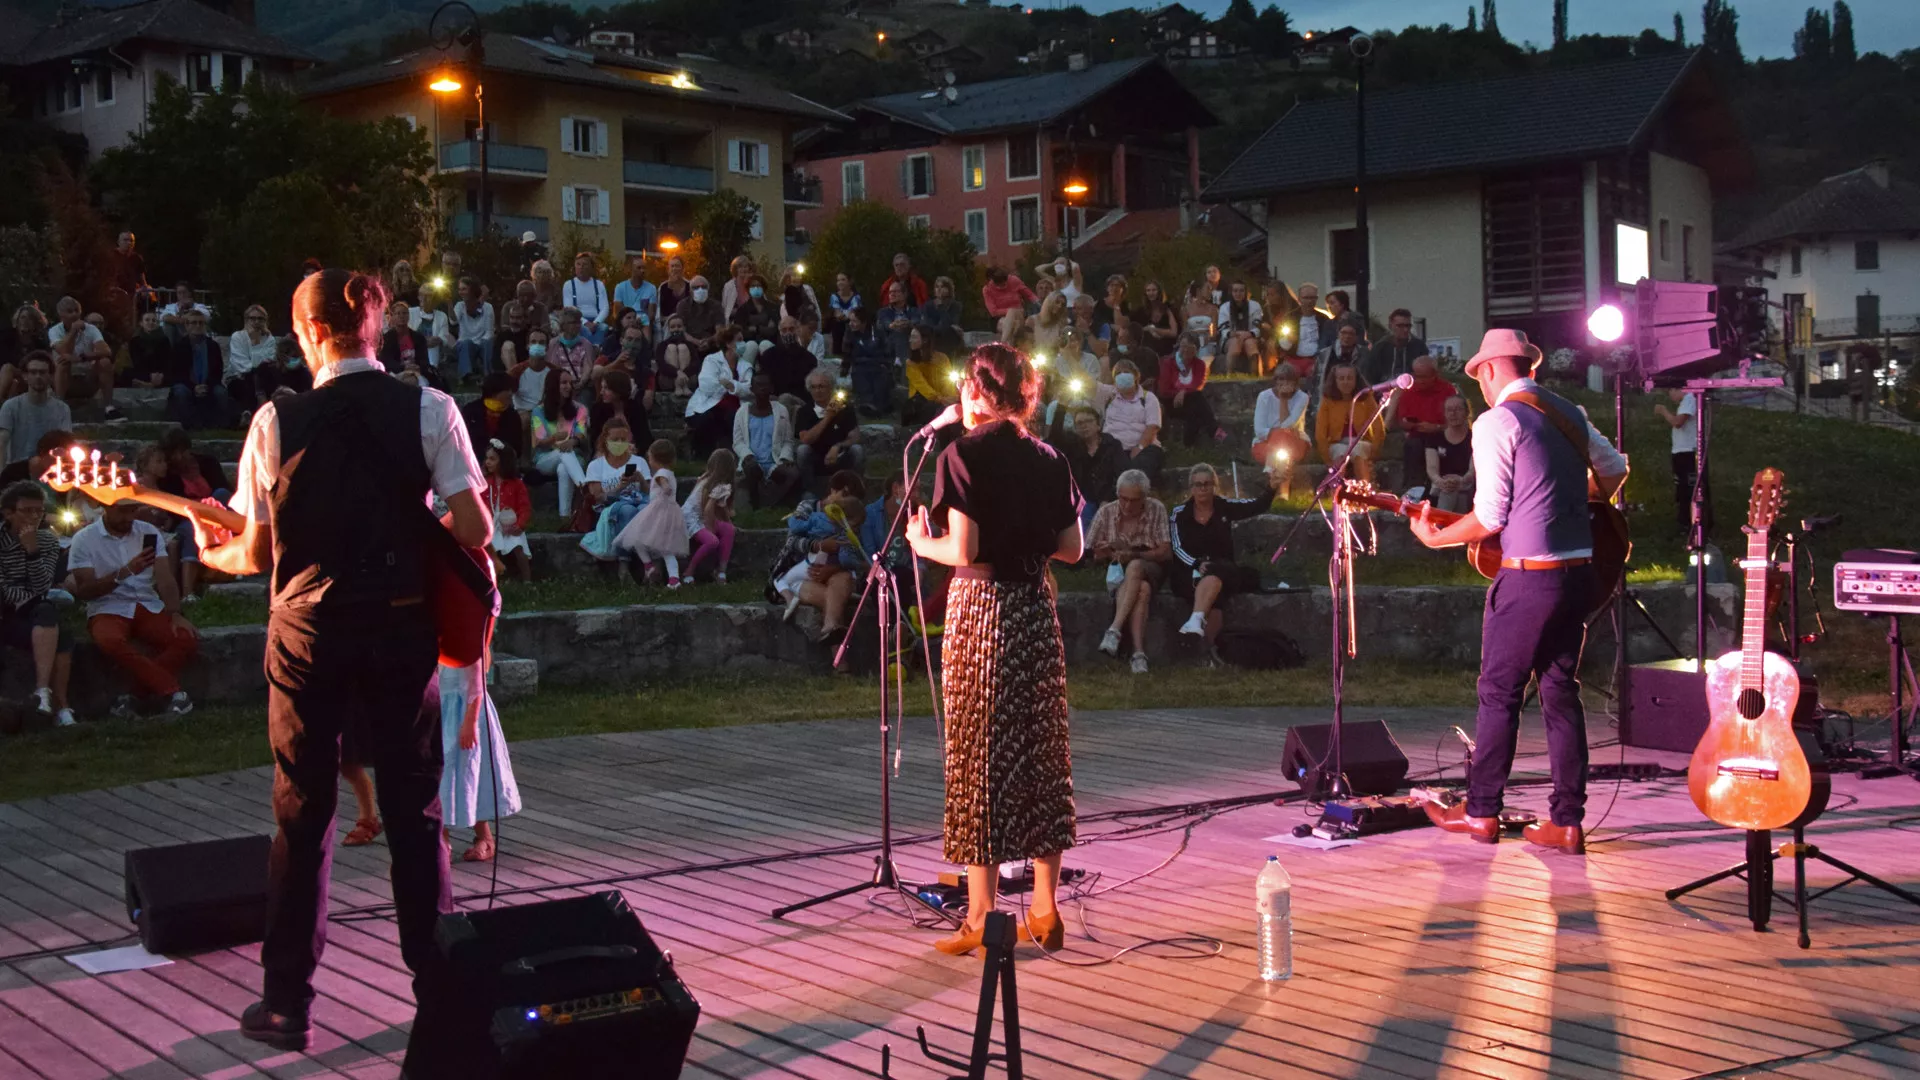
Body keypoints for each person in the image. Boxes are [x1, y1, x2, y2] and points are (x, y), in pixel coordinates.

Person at [194, 269, 491, 1052]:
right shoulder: (429, 407)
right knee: (414, 813)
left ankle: (287, 1004)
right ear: (376, 329)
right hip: (398, 625)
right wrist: (413, 525)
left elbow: (253, 553)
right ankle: (440, 995)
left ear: (306, 333)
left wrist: (209, 549)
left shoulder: (275, 420)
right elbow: (475, 530)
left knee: (303, 812)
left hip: (307, 631)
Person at [1409, 329, 1628, 857]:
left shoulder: (1497, 421)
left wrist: (1435, 537)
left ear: (1488, 370)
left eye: (1479, 378)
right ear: (1527, 365)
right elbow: (1615, 469)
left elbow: (1489, 516)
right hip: (1578, 574)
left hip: (1529, 578)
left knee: (1499, 693)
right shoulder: (1569, 412)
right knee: (1560, 692)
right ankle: (1567, 822)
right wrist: (1564, 498)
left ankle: (1481, 811)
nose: (1481, 389)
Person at [906, 342, 1082, 956]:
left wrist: (919, 543)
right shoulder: (1051, 457)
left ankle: (981, 916)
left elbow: (964, 549)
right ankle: (1046, 909)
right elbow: (1072, 549)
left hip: (982, 611)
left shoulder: (961, 454)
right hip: (1035, 608)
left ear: (976, 392)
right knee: (1041, 751)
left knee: (978, 755)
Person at [66, 499, 198, 717]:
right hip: (107, 606)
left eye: (132, 511)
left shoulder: (148, 532)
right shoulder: (84, 539)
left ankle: (134, 696)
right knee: (110, 640)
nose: (128, 518)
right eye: (122, 512)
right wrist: (125, 572)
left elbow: (164, 577)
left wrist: (175, 613)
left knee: (185, 638)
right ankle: (173, 692)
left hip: (147, 603)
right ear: (106, 507)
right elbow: (86, 590)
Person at [437, 575, 520, 864]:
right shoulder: (436, 628)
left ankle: (484, 836)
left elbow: (476, 684)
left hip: (467, 711)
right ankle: (441, 838)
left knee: (472, 771)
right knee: (440, 775)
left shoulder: (469, 635)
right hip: (440, 709)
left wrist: (471, 721)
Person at [1170, 463, 1275, 662]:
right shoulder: (1179, 513)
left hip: (1223, 569)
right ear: (1191, 488)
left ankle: (1196, 622)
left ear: (1214, 486)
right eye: (1198, 484)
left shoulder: (1224, 506)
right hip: (1189, 571)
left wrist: (1272, 488)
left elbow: (1256, 505)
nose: (1202, 489)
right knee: (1216, 596)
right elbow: (1176, 547)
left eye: (1207, 484)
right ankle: (1209, 651)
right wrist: (1196, 564)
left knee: (1218, 572)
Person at [0, 482, 75, 725]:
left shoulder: (48, 541)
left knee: (51, 618)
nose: (34, 517)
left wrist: (32, 550)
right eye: (27, 511)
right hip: (6, 611)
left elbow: (43, 586)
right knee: (53, 625)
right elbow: (3, 588)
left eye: (39, 511)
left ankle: (46, 695)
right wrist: (23, 597)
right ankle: (55, 704)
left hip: (32, 610)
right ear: (9, 513)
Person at [1088, 469, 1171, 675]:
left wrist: (1133, 554)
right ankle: (1138, 654)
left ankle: (1114, 629)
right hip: (1117, 569)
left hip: (1149, 564)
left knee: (1135, 567)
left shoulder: (1156, 509)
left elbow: (1165, 551)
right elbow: (1089, 551)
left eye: (1134, 501)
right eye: (1123, 499)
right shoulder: (1106, 512)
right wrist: (1106, 551)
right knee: (1142, 590)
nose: (1127, 506)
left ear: (1144, 497)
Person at [613, 440, 688, 586]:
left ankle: (648, 566)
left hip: (658, 513)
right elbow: (653, 489)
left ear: (653, 458)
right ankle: (674, 580)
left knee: (636, 540)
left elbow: (662, 481)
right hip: (670, 515)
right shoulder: (670, 473)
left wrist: (665, 487)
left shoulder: (661, 473)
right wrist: (642, 479)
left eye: (649, 458)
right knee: (667, 551)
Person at [580, 416, 649, 560]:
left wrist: (640, 479)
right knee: (627, 510)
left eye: (623, 439)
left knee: (641, 509)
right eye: (615, 439)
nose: (619, 443)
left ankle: (646, 557)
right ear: (605, 440)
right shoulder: (596, 465)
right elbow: (597, 497)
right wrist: (619, 487)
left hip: (637, 504)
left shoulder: (640, 462)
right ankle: (626, 560)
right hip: (608, 510)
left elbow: (650, 493)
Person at [1051, 405, 1125, 534]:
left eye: (1088, 421)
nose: (1084, 426)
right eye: (1079, 423)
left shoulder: (1112, 445)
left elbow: (1121, 474)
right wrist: (1061, 406)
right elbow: (1055, 436)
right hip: (1084, 500)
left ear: (1098, 425)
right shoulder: (1073, 446)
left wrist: (1108, 498)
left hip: (1109, 497)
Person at [530, 368, 591, 523]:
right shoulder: (539, 411)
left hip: (575, 456)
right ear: (553, 385)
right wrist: (554, 438)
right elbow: (538, 442)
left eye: (570, 383)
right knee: (564, 452)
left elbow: (581, 433)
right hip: (545, 458)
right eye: (563, 383)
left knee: (563, 468)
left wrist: (572, 441)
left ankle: (565, 517)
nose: (568, 387)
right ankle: (585, 487)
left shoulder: (580, 409)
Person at [48, 296, 122, 422]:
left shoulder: (91, 329)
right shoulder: (54, 331)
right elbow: (63, 351)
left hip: (88, 377)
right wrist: (73, 332)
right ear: (61, 314)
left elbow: (106, 351)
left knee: (105, 362)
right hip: (66, 380)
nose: (74, 314)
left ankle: (109, 408)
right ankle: (59, 408)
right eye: (70, 311)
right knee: (62, 363)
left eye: (76, 311)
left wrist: (82, 357)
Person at [734, 373, 798, 509]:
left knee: (792, 474)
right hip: (752, 462)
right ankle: (755, 505)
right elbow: (738, 442)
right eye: (758, 385)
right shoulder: (742, 412)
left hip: (774, 461)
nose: (762, 388)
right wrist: (748, 456)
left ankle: (775, 505)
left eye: (766, 385)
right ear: (752, 389)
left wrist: (785, 458)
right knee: (751, 470)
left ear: (772, 388)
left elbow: (788, 440)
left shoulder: (781, 410)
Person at [794, 369, 864, 494]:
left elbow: (855, 436)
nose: (817, 391)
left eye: (821, 386)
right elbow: (805, 439)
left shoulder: (845, 408)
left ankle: (854, 490)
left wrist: (838, 446)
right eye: (813, 387)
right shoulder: (804, 411)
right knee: (802, 451)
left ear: (831, 388)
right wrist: (828, 417)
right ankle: (809, 492)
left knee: (857, 450)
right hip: (816, 457)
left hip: (840, 455)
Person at [1394, 355, 1456, 493]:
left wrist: (1436, 427)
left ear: (1434, 375)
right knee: (1413, 445)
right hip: (1417, 435)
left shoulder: (1447, 390)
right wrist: (1413, 425)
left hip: (1441, 435)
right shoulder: (1409, 390)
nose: (1420, 381)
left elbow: (1456, 422)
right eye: (1417, 376)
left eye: (1424, 377)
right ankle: (1412, 489)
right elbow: (1401, 421)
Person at [686, 326, 749, 460]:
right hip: (708, 405)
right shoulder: (711, 360)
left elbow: (748, 389)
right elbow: (707, 385)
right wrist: (732, 388)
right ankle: (701, 456)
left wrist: (730, 384)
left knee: (735, 417)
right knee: (708, 418)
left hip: (734, 407)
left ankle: (735, 458)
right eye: (739, 340)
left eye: (743, 340)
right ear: (728, 344)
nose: (743, 344)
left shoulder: (746, 365)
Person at [1315, 361, 1383, 484]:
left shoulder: (1366, 398)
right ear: (1335, 381)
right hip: (1337, 444)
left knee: (1357, 449)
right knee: (1340, 452)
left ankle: (1364, 489)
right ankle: (1336, 490)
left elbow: (1379, 428)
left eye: (1349, 378)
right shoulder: (1327, 400)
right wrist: (1327, 459)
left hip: (1361, 442)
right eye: (1341, 378)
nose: (1345, 382)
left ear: (1356, 380)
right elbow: (1320, 433)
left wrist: (1374, 451)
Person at [0, 354, 71, 468]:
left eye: (42, 372)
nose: (38, 376)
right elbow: (2, 442)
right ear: (25, 376)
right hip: (17, 467)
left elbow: (66, 443)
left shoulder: (62, 409)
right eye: (33, 372)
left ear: (50, 376)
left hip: (49, 467)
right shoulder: (10, 406)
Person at [1251, 364, 1311, 499]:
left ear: (1295, 383)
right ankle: (1283, 492)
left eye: (1289, 380)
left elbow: (1289, 425)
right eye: (1281, 379)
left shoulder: (1302, 397)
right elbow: (1259, 430)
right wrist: (1277, 434)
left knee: (1284, 438)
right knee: (1282, 440)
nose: (1284, 384)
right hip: (1265, 443)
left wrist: (1283, 400)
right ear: (1275, 381)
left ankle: (1272, 479)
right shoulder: (1264, 396)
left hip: (1296, 442)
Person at [1654, 388, 1707, 536]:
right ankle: (1684, 521)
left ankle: (1691, 523)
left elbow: (1678, 422)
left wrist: (1663, 411)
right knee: (1681, 487)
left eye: (1671, 391)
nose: (1671, 396)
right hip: (1680, 451)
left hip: (1688, 451)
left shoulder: (1689, 399)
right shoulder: (1685, 402)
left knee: (1689, 488)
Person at [682, 449, 737, 586]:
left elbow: (721, 509)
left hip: (701, 515)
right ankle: (689, 571)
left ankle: (721, 571)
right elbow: (708, 510)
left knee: (730, 530)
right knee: (712, 542)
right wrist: (710, 529)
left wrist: (728, 522)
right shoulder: (712, 484)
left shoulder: (718, 484)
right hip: (691, 518)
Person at [1102, 358, 1163, 481]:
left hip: (1143, 448)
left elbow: (1152, 427)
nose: (1122, 375)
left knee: (1140, 466)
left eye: (1126, 372)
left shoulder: (1148, 398)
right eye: (1118, 373)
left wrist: (1139, 447)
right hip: (1113, 448)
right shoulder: (1109, 396)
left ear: (1135, 376)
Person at [168, 309, 231, 429]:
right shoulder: (179, 346)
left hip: (208, 384)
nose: (198, 326)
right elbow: (176, 373)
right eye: (194, 322)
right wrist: (193, 387)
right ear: (187, 325)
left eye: (201, 323)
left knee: (221, 392)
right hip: (186, 384)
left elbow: (218, 371)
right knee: (180, 392)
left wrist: (206, 385)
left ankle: (221, 425)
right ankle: (188, 425)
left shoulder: (213, 346)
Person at [483, 441, 532, 583]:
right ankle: (491, 580)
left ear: (503, 462)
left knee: (518, 547)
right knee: (489, 549)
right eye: (487, 458)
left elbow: (524, 507)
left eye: (492, 459)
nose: (487, 462)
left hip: (511, 523)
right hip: (492, 524)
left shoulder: (517, 484)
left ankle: (527, 580)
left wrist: (520, 524)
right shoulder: (485, 482)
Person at [1157, 333, 1219, 447]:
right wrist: (1179, 393)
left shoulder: (1199, 364)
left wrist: (1183, 392)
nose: (1186, 350)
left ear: (1196, 349)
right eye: (1183, 346)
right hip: (1170, 401)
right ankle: (1213, 430)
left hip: (1190, 402)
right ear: (1178, 346)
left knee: (1195, 409)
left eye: (1190, 347)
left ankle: (1188, 445)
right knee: (1197, 400)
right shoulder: (1167, 363)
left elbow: (1197, 385)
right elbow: (1163, 390)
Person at [461, 374, 523, 471]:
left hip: (502, 466)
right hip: (473, 463)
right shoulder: (470, 411)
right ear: (495, 392)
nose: (511, 393)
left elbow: (517, 447)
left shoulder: (512, 415)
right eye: (507, 390)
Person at [1425, 395, 1475, 513]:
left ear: (1467, 412)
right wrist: (1442, 482)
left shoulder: (1475, 437)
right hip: (1440, 486)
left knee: (1456, 493)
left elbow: (1472, 470)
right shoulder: (1434, 438)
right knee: (1449, 492)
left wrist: (1460, 481)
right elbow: (1432, 469)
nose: (1453, 413)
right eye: (1449, 410)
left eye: (1458, 409)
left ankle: (1442, 522)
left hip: (1466, 485)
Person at [227, 305, 279, 415]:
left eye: (260, 319)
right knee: (250, 379)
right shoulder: (237, 337)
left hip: (263, 376)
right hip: (238, 377)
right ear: (246, 320)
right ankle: (254, 411)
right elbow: (241, 365)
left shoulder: (269, 339)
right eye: (252, 318)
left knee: (263, 375)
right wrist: (254, 342)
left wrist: (256, 341)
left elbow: (268, 361)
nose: (256, 322)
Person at [842, 306, 893, 416]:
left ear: (863, 322)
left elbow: (887, 352)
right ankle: (868, 405)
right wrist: (844, 372)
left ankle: (881, 406)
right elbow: (847, 354)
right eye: (850, 321)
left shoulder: (878, 332)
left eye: (854, 321)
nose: (851, 324)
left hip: (878, 365)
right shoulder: (849, 332)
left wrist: (885, 365)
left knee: (881, 377)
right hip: (860, 366)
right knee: (861, 375)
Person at [588, 367, 651, 455]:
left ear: (618, 389)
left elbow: (644, 438)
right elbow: (595, 439)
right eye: (602, 388)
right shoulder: (597, 409)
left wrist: (636, 449)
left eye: (606, 388)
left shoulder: (636, 408)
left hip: (632, 452)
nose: (602, 392)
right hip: (605, 453)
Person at [901, 326, 953, 430]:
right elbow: (922, 386)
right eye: (910, 337)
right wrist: (940, 399)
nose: (910, 340)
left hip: (941, 397)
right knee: (931, 408)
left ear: (925, 340)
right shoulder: (911, 362)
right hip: (922, 400)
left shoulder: (942, 358)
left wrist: (951, 397)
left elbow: (948, 381)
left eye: (914, 337)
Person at [759, 315, 817, 401]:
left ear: (798, 330)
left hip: (800, 402)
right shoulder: (768, 356)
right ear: (780, 332)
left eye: (791, 329)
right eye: (784, 330)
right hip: (775, 401)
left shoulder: (809, 359)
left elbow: (810, 388)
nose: (788, 333)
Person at [1364, 308, 1429, 386]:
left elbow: (1425, 374)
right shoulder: (1380, 348)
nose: (1405, 329)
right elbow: (1371, 377)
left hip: (1412, 389)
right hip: (1384, 390)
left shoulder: (1419, 347)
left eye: (1408, 326)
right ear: (1391, 326)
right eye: (1400, 326)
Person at [1283, 281, 1332, 380]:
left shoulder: (1323, 319)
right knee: (1289, 375)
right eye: (1306, 298)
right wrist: (1288, 340)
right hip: (1294, 359)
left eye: (1313, 298)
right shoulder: (1290, 317)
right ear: (1299, 299)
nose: (1310, 301)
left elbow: (1328, 342)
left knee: (1315, 375)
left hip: (1315, 360)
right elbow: (1281, 344)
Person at [377, 302, 434, 387]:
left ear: (408, 316)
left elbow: (424, 360)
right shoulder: (386, 339)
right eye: (398, 313)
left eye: (404, 313)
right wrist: (403, 367)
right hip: (395, 373)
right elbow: (386, 361)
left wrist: (418, 367)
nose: (401, 316)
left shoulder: (419, 338)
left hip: (416, 372)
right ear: (392, 317)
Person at [729, 274, 781, 365]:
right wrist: (764, 328)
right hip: (748, 343)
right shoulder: (742, 310)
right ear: (748, 289)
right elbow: (741, 332)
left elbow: (774, 330)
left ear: (764, 288)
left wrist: (755, 328)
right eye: (753, 286)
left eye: (759, 286)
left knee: (765, 344)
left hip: (769, 342)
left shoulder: (773, 308)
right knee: (751, 345)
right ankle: (745, 373)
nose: (756, 288)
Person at [1215, 282, 1265, 375]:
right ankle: (1229, 375)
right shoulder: (1224, 307)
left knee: (1250, 343)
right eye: (1235, 291)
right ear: (1231, 292)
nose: (1238, 294)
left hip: (1250, 337)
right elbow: (1223, 329)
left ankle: (1255, 376)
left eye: (1241, 291)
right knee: (1235, 342)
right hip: (1231, 338)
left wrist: (1249, 334)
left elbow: (1258, 326)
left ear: (1246, 292)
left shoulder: (1255, 306)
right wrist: (1233, 334)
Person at [452, 277, 495, 382]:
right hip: (465, 342)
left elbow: (489, 332)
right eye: (459, 289)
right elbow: (453, 322)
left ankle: (488, 374)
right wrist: (449, 303)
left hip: (482, 342)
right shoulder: (460, 306)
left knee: (487, 342)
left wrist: (480, 342)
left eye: (464, 289)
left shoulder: (487, 307)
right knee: (466, 342)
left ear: (472, 290)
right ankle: (466, 376)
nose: (461, 292)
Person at [562, 253, 610, 344]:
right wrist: (585, 323)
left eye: (584, 264)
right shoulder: (569, 285)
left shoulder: (599, 285)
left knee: (604, 328)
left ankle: (595, 348)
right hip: (578, 321)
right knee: (584, 330)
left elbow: (605, 308)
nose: (581, 267)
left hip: (596, 321)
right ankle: (591, 349)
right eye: (578, 264)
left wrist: (596, 323)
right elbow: (569, 308)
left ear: (591, 267)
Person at [547, 307, 598, 389]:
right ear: (564, 325)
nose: (578, 326)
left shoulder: (586, 344)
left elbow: (588, 367)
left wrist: (581, 383)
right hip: (559, 385)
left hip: (581, 385)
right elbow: (552, 367)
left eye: (579, 322)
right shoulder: (553, 343)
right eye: (574, 322)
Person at [676, 276, 724, 355]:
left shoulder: (716, 305)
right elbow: (681, 330)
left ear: (708, 289)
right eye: (696, 287)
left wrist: (708, 341)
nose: (700, 290)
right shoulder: (683, 305)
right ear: (690, 291)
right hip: (689, 346)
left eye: (703, 287)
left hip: (712, 346)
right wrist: (697, 342)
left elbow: (720, 330)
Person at [651, 314, 696, 398]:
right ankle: (678, 385)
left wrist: (683, 374)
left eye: (679, 326)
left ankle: (683, 385)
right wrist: (677, 372)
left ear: (684, 328)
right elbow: (661, 364)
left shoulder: (689, 345)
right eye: (672, 327)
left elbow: (695, 363)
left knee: (682, 347)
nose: (676, 329)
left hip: (688, 379)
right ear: (669, 329)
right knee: (671, 347)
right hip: (668, 380)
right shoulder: (662, 345)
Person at [126, 310, 172, 389]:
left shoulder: (164, 340)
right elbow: (137, 361)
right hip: (143, 372)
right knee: (127, 372)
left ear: (157, 323)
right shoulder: (135, 341)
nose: (151, 322)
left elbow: (167, 360)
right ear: (141, 323)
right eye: (147, 320)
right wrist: (150, 375)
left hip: (160, 373)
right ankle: (149, 383)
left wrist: (160, 374)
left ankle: (150, 384)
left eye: (154, 320)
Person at [1134, 280, 1180, 355]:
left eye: (1154, 290)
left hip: (1167, 348)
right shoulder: (1141, 311)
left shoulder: (1168, 309)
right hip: (1148, 350)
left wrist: (1153, 329)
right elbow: (1137, 330)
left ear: (1159, 292)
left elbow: (1173, 332)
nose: (1151, 293)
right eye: (1148, 290)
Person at [613, 255, 657, 328]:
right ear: (631, 269)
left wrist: (641, 321)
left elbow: (651, 314)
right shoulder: (620, 287)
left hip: (643, 322)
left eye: (644, 268)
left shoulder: (651, 288)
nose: (642, 271)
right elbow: (617, 313)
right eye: (639, 268)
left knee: (646, 325)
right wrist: (630, 322)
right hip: (626, 322)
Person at [825, 273, 861, 356]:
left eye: (843, 280)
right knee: (837, 324)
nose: (840, 282)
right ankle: (837, 353)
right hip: (839, 322)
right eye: (838, 280)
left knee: (853, 323)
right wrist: (844, 316)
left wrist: (846, 316)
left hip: (852, 321)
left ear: (849, 282)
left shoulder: (856, 296)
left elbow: (853, 312)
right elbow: (837, 313)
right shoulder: (834, 296)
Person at [654, 255, 691, 327]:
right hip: (668, 323)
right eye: (672, 266)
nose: (674, 269)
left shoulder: (690, 285)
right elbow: (661, 310)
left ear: (683, 268)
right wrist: (669, 289)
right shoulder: (663, 287)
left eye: (677, 266)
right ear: (668, 269)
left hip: (687, 322)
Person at [719, 254, 757, 320]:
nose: (743, 269)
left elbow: (762, 303)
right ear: (735, 269)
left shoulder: (754, 283)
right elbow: (725, 308)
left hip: (753, 319)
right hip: (734, 320)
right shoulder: (729, 286)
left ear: (749, 268)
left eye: (745, 266)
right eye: (740, 267)